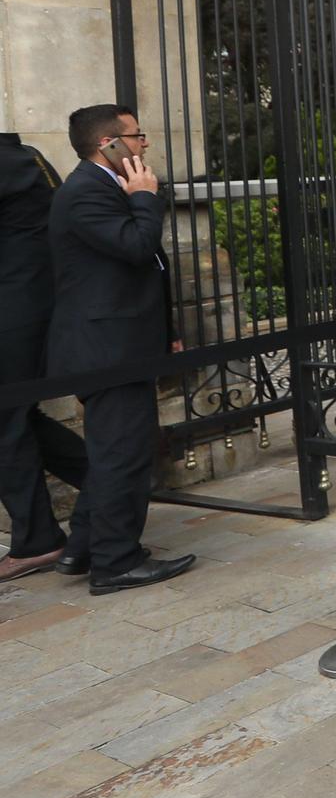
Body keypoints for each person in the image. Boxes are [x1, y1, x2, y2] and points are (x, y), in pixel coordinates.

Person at [45, 106, 194, 595]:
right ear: (108, 143)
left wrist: (166, 330)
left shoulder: (104, 188)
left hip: (125, 343)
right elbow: (136, 245)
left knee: (118, 450)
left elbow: (144, 269)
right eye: (136, 136)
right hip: (105, 350)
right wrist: (146, 197)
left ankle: (84, 547)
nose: (144, 144)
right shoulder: (85, 192)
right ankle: (115, 563)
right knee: (121, 456)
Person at [0, 133, 90, 581]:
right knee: (16, 415)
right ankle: (106, 484)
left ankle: (38, 540)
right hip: (28, 301)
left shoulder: (7, 160)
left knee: (7, 418)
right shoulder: (22, 155)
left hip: (18, 307)